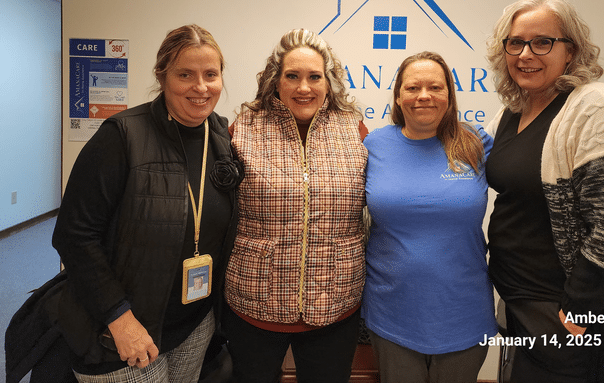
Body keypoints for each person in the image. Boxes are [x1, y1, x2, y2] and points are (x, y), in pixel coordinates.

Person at [485, 0, 604, 383]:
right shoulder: (510, 114)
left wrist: (578, 309)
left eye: (542, 42)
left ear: (571, 50)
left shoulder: (596, 107)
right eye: (516, 43)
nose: (526, 54)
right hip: (523, 302)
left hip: (575, 314)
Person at [52, 25, 241, 383]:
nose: (201, 87)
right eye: (185, 74)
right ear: (162, 75)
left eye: (210, 74)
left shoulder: (220, 136)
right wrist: (118, 318)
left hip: (193, 326)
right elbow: (74, 236)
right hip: (122, 331)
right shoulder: (122, 136)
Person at [222, 28, 368, 383]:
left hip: (336, 303)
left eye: (315, 77)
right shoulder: (243, 130)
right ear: (275, 81)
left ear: (329, 82)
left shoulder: (355, 130)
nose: (304, 87)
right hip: (254, 303)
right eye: (293, 76)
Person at [361, 51, 497, 383]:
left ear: (449, 95)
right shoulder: (373, 145)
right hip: (391, 312)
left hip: (464, 310)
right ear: (397, 95)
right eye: (413, 87)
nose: (424, 96)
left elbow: (524, 199)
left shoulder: (475, 142)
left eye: (435, 87)